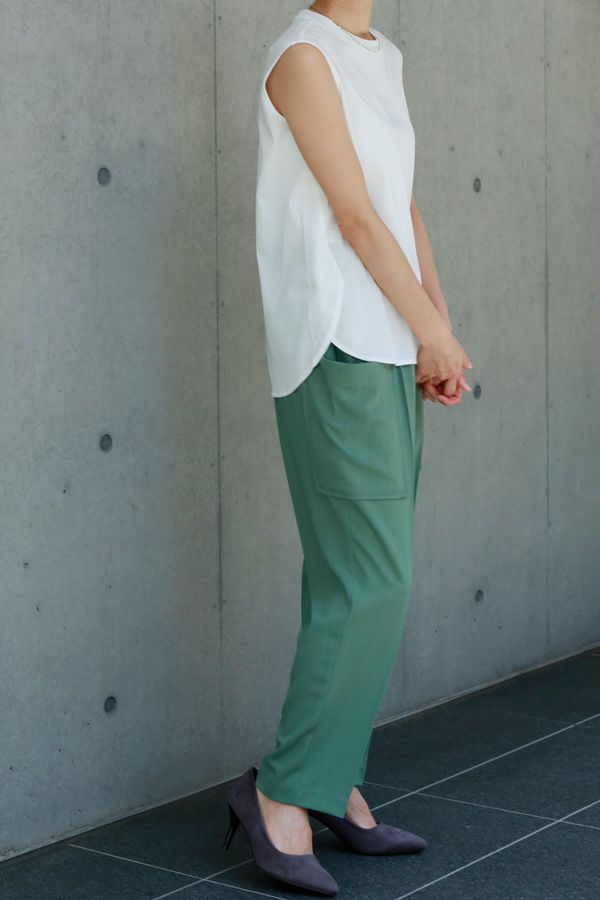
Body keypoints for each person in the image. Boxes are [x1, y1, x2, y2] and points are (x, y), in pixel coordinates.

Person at [223, 2, 473, 894]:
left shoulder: (381, 55)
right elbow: (355, 217)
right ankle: (283, 791)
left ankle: (331, 783)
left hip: (390, 343)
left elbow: (402, 204)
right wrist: (427, 330)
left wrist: (436, 329)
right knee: (370, 580)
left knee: (356, 582)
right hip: (336, 343)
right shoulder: (301, 55)